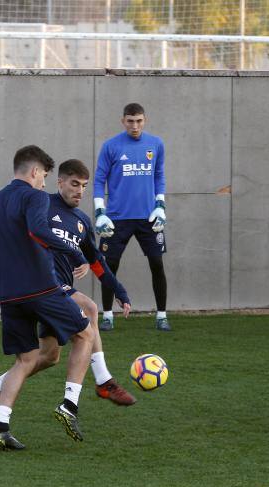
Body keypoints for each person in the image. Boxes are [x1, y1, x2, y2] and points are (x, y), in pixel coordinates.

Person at [0, 159, 136, 407]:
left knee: (49, 357)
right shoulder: (39, 202)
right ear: (59, 181)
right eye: (74, 184)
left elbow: (96, 261)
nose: (80, 191)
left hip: (54, 292)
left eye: (84, 186)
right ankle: (104, 381)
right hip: (44, 285)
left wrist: (119, 290)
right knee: (91, 307)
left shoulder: (83, 221)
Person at [0, 145, 94, 451]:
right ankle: (69, 406)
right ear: (35, 172)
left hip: (10, 297)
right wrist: (75, 253)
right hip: (42, 289)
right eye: (44, 176)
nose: (44, 184)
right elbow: (37, 230)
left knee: (27, 359)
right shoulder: (33, 196)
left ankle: (0, 427)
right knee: (85, 333)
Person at [94, 102, 171, 332]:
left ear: (144, 120)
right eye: (130, 121)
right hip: (117, 218)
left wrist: (160, 206)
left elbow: (159, 176)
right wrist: (100, 213)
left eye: (138, 121)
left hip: (149, 217)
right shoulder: (110, 146)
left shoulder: (156, 144)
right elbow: (99, 180)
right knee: (109, 266)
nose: (134, 126)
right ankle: (107, 315)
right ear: (123, 121)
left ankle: (161, 316)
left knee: (157, 264)